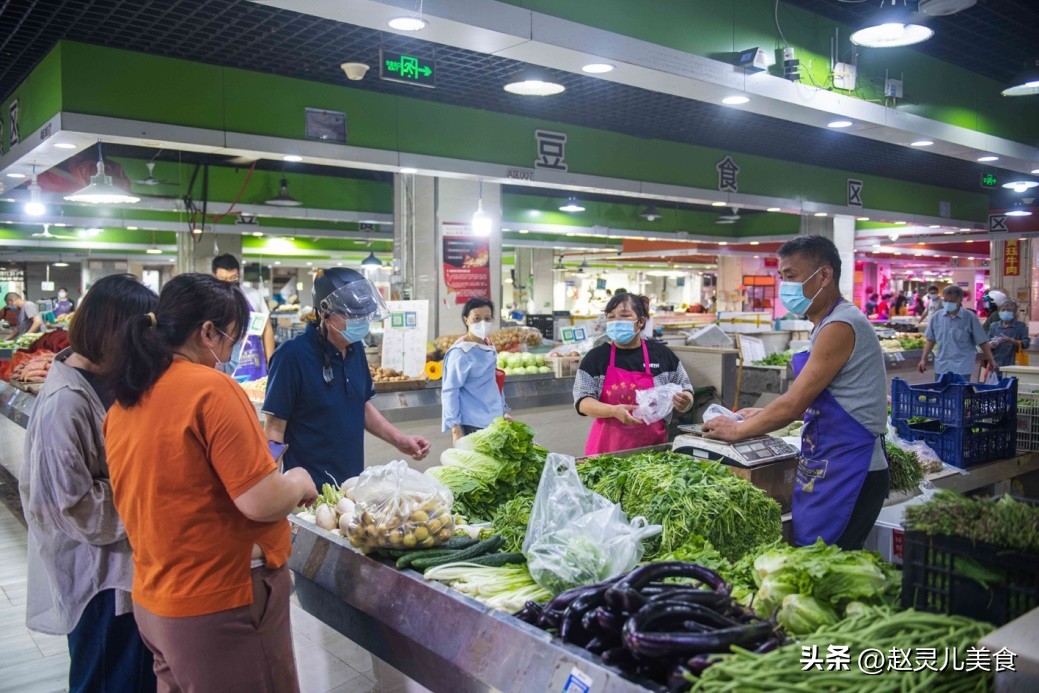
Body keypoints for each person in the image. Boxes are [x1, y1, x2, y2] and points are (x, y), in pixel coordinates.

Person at [103, 273, 317, 692]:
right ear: (207, 332)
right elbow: (260, 500)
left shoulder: (128, 396)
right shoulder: (211, 389)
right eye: (231, 339)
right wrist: (296, 481)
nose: (229, 353)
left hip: (156, 598)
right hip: (220, 603)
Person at [701, 236, 888, 550]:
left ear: (824, 276)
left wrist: (738, 430)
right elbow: (817, 399)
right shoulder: (826, 323)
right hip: (832, 461)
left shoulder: (840, 326)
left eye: (791, 276)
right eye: (782, 277)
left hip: (852, 469)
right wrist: (762, 413)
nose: (784, 286)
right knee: (819, 564)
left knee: (827, 569)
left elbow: (794, 403)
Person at [21, 274, 158, 693]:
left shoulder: (104, 379)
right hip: (99, 577)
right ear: (115, 334)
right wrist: (153, 492)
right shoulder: (66, 403)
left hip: (123, 564)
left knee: (133, 673)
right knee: (108, 676)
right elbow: (74, 505)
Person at [263, 268, 430, 486]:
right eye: (351, 315)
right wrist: (271, 486)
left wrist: (400, 440)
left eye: (363, 315)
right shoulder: (292, 356)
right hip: (306, 491)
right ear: (324, 313)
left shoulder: (354, 349)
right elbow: (274, 428)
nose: (359, 321)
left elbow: (360, 405)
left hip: (351, 485)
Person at [574, 293, 694, 455]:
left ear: (641, 321)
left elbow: (686, 387)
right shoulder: (596, 358)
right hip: (606, 452)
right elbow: (583, 401)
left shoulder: (662, 355)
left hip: (652, 451)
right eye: (611, 317)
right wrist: (613, 411)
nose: (617, 321)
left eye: (624, 316)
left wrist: (685, 401)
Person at [442, 298, 508, 442]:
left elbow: (494, 382)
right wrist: (455, 429)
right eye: (476, 319)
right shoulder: (460, 352)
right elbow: (450, 390)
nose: (482, 323)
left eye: (487, 318)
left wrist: (503, 411)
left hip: (494, 418)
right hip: (473, 422)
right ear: (466, 320)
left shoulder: (488, 345)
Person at [212, 254, 275, 379]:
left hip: (253, 361)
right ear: (215, 276)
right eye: (224, 279)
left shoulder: (254, 295)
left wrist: (271, 363)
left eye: (233, 278)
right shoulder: (210, 299)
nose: (229, 283)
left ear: (239, 274)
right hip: (223, 365)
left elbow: (267, 329)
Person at [919, 285, 997, 381]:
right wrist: (923, 359)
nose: (948, 303)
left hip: (962, 367)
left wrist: (991, 360)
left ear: (960, 300)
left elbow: (982, 342)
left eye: (951, 301)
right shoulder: (937, 317)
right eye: (946, 300)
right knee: (941, 394)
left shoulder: (969, 317)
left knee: (959, 394)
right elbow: (930, 340)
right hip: (942, 366)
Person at [987, 299, 1030, 368]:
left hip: (1013, 364)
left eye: (1009, 310)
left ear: (1014, 312)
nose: (1005, 312)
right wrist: (992, 344)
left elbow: (1026, 343)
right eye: (1003, 310)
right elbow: (986, 343)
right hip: (996, 363)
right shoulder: (994, 326)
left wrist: (1012, 341)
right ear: (999, 312)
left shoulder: (1021, 326)